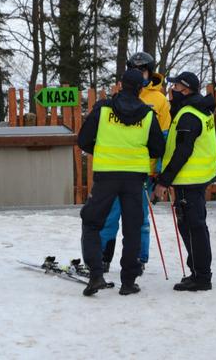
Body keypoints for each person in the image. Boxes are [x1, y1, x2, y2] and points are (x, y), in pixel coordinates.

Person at [77, 69, 164, 296]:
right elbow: (158, 148)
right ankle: (128, 282)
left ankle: (96, 275)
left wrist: (102, 151)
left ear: (119, 85)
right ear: (141, 89)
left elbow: (83, 139)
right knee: (133, 228)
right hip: (135, 178)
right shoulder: (147, 114)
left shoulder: (104, 109)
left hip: (106, 176)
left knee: (92, 222)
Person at [100, 52, 171, 272]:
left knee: (140, 220)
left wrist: (160, 171)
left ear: (150, 72)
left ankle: (139, 258)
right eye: (134, 70)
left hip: (144, 171)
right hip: (116, 168)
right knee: (111, 216)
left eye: (143, 70)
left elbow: (166, 137)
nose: (139, 75)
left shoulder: (158, 100)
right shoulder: (118, 97)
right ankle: (103, 257)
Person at [154, 72, 216, 292]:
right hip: (197, 179)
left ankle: (201, 276)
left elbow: (182, 152)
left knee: (192, 228)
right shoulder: (199, 109)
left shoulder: (189, 116)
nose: (171, 92)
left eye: (175, 88)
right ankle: (200, 272)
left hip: (189, 181)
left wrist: (164, 181)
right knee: (196, 227)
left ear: (185, 90)